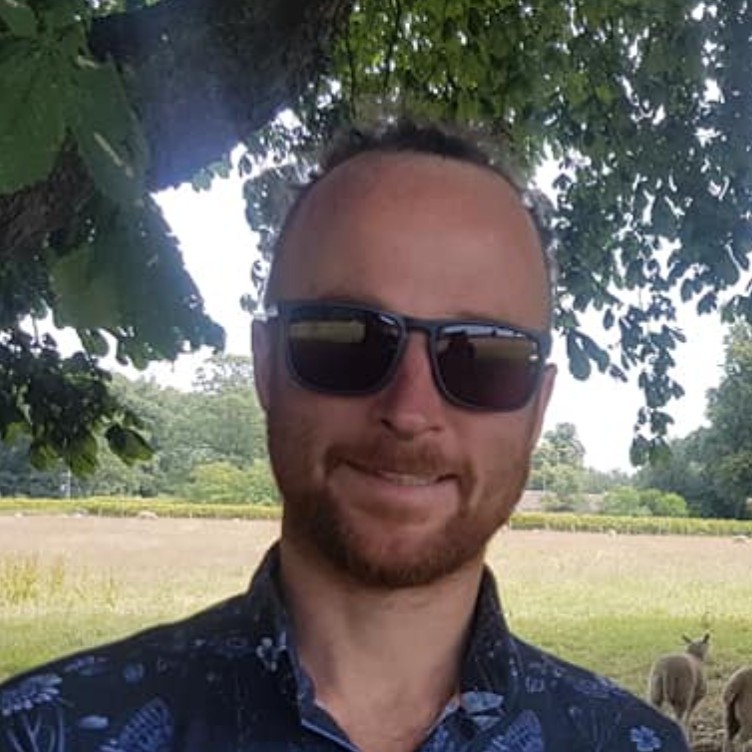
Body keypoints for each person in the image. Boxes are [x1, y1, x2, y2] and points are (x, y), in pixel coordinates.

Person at [0, 122, 689, 752]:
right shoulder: (38, 735)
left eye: (485, 356)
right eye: (343, 339)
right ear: (267, 368)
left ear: (537, 409)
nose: (409, 410)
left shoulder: (635, 745)